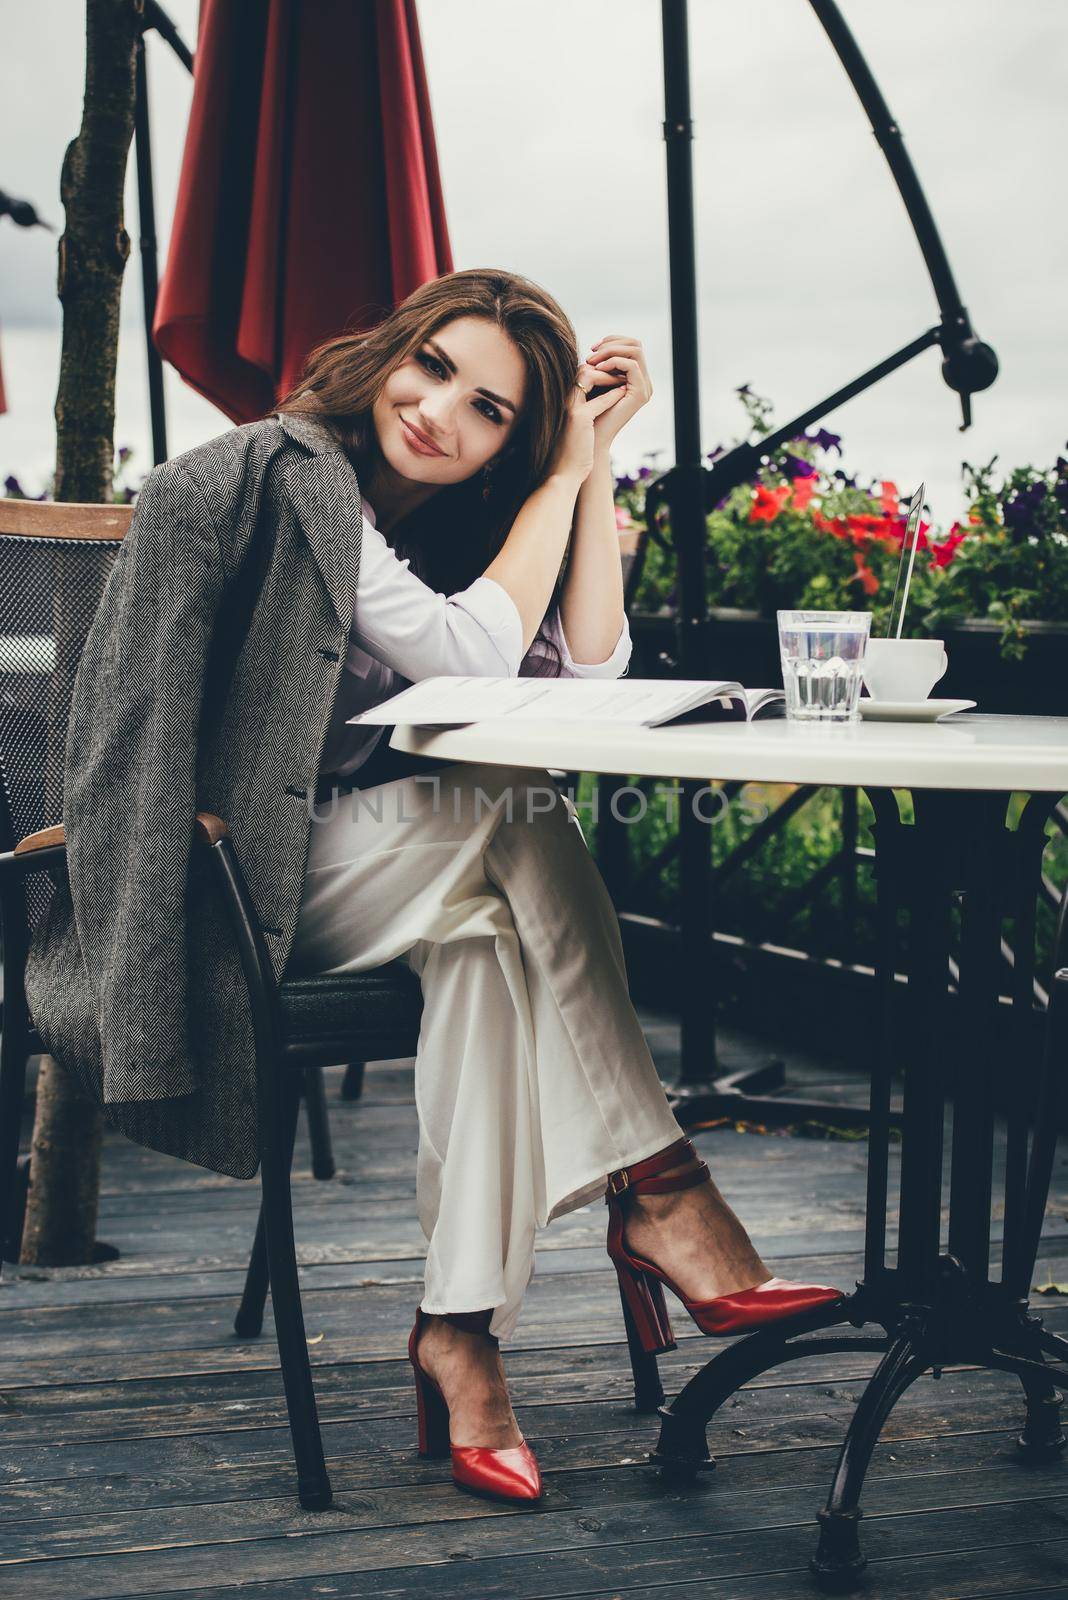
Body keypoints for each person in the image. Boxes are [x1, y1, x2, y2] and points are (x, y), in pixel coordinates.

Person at [276, 269, 844, 1504]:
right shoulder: (304, 482)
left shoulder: (453, 528)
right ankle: (664, 1188)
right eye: (432, 366)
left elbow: (587, 675)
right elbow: (477, 658)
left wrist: (585, 463)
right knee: (509, 791)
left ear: (501, 447)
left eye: (486, 410)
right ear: (392, 346)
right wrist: (553, 464)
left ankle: (459, 1331)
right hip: (245, 877)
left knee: (486, 945)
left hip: (385, 869)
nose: (437, 412)